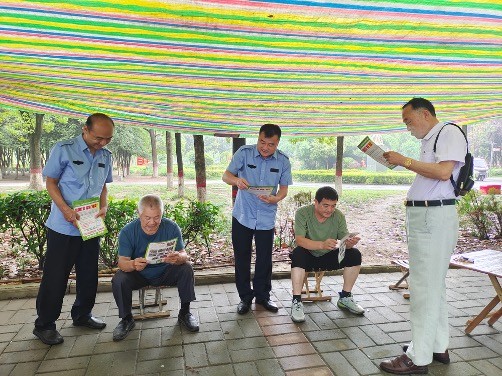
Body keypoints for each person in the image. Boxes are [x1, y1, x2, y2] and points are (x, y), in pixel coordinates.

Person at [380, 98, 466, 374]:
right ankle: (436, 345)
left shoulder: (448, 132)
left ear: (425, 113)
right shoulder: (431, 140)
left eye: (408, 120)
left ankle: (417, 357)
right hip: (427, 216)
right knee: (433, 285)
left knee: (422, 288)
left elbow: (443, 173)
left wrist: (404, 161)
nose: (407, 126)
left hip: (434, 217)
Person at [34, 113, 114, 345]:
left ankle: (82, 314)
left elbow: (103, 187)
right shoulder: (64, 148)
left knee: (89, 274)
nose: (103, 143)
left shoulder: (106, 155)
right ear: (85, 130)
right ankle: (45, 325)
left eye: (108, 139)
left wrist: (104, 206)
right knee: (56, 277)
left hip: (90, 224)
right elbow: (50, 183)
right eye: (99, 138)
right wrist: (66, 210)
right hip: (64, 225)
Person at [222, 123, 292, 314]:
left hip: (266, 217)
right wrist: (236, 180)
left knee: (264, 260)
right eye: (262, 142)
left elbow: (284, 188)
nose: (265, 147)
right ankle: (245, 298)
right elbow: (226, 175)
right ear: (258, 138)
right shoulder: (244, 153)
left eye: (270, 144)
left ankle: (263, 297)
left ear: (277, 143)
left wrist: (276, 198)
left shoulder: (283, 161)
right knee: (242, 258)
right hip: (243, 215)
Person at [111, 194, 198, 341]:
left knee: (186, 268)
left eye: (157, 217)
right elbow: (122, 263)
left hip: (165, 271)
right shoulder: (128, 231)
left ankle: (185, 313)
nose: (152, 222)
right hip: (139, 275)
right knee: (119, 278)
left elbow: (184, 254)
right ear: (139, 214)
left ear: (162, 214)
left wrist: (178, 258)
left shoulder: (171, 227)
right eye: (147, 218)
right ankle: (126, 319)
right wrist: (133, 264)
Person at [290, 186, 364, 323]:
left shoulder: (338, 215)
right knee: (297, 254)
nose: (330, 210)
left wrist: (350, 243)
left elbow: (343, 241)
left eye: (333, 206)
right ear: (316, 202)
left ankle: (345, 297)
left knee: (354, 254)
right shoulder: (303, 213)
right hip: (308, 255)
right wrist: (321, 244)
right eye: (325, 205)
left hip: (329, 255)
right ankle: (296, 301)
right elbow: (299, 240)